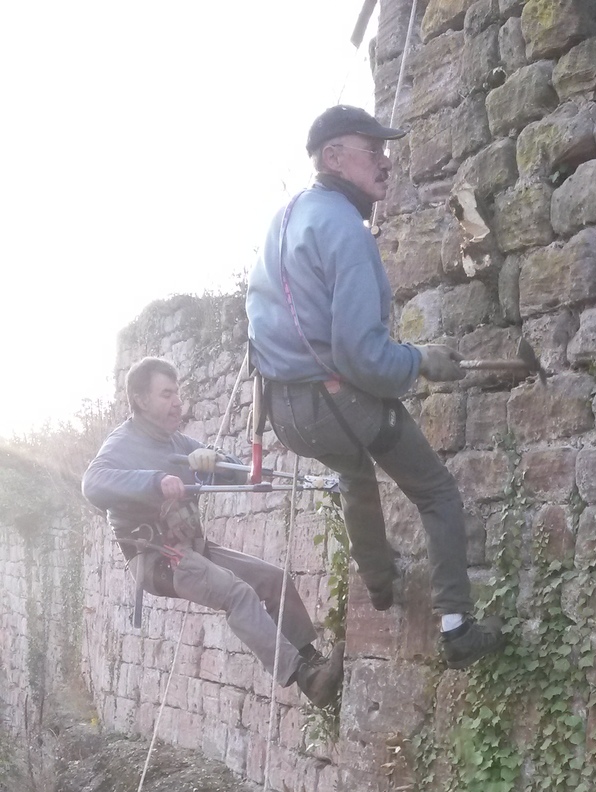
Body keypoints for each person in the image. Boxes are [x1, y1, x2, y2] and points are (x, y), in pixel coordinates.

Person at [245, 104, 504, 670]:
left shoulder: (285, 218)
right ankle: (458, 629)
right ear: (334, 157)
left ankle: (380, 583)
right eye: (374, 150)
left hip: (286, 413)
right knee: (436, 492)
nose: (386, 161)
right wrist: (421, 360)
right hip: (336, 403)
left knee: (352, 472)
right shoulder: (345, 230)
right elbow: (362, 356)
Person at [82, 357, 344, 705]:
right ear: (141, 400)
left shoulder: (178, 443)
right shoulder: (122, 443)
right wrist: (155, 481)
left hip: (194, 548)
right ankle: (306, 678)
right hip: (158, 559)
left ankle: (312, 662)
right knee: (237, 594)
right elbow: (92, 483)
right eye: (166, 394)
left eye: (177, 393)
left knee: (273, 580)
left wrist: (216, 461)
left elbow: (241, 473)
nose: (177, 402)